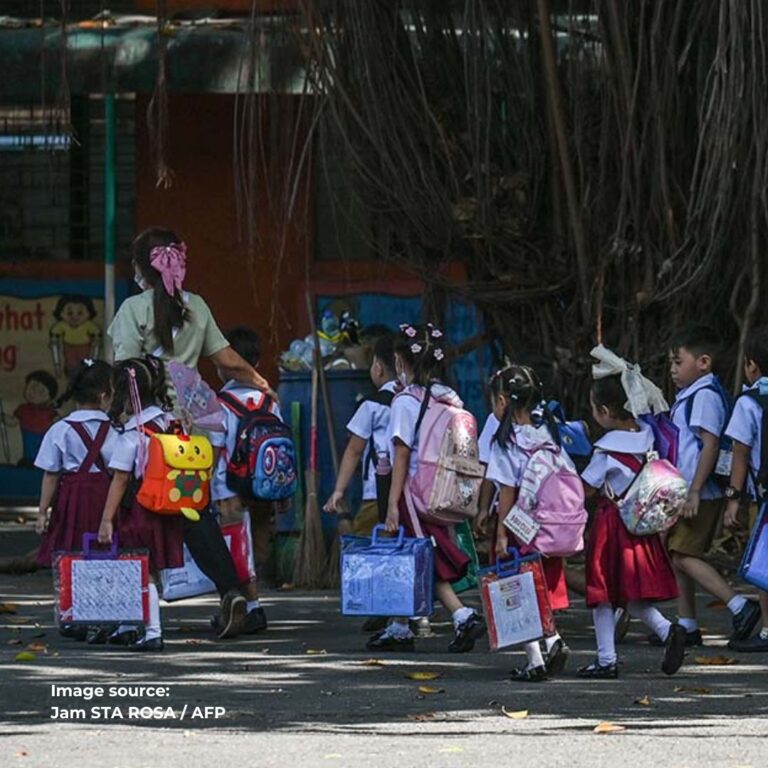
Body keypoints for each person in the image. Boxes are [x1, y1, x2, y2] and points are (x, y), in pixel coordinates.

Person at [369, 322, 486, 652]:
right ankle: (399, 625)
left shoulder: (405, 402)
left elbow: (401, 454)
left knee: (423, 557)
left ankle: (462, 615)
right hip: (443, 488)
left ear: (399, 361)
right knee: (411, 555)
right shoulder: (449, 397)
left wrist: (392, 504)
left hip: (414, 492)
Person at [578, 352, 686, 679]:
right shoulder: (647, 435)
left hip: (612, 527)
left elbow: (586, 490)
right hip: (641, 526)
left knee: (602, 594)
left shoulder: (607, 450)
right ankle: (669, 631)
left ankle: (606, 659)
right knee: (629, 594)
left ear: (605, 412)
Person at [666, 324, 761, 647]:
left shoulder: (705, 396)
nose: (673, 370)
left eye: (679, 362)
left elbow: (709, 444)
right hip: (692, 491)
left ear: (703, 362)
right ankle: (688, 624)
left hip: (701, 493)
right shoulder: (694, 395)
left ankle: (739, 605)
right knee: (679, 553)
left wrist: (694, 490)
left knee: (682, 555)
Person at [107, 227, 270, 394]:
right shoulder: (197, 305)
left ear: (137, 266)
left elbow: (127, 370)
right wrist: (264, 386)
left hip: (151, 415)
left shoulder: (132, 308)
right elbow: (228, 362)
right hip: (190, 414)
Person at [487, 365, 571, 681]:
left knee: (517, 594)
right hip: (548, 525)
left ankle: (536, 659)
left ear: (503, 401)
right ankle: (553, 640)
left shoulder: (505, 440)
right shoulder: (548, 432)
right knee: (539, 591)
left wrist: (500, 535)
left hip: (518, 526)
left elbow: (506, 491)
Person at [97, 357, 186, 652]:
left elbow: (120, 479)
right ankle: (128, 623)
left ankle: (152, 631)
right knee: (147, 569)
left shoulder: (131, 435)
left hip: (139, 508)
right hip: (166, 506)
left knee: (140, 570)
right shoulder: (166, 420)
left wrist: (106, 519)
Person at [211, 326, 282, 634]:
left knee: (236, 546)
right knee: (258, 541)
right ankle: (254, 604)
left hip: (228, 484)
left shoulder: (221, 402)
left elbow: (214, 448)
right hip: (265, 484)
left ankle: (247, 606)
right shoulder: (270, 400)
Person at [34, 360, 116, 575]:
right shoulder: (114, 430)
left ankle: (72, 594)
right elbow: (119, 470)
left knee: (71, 549)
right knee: (107, 548)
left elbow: (51, 474)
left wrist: (43, 512)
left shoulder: (59, 429)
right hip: (106, 497)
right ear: (103, 396)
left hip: (71, 498)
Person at [324, 333, 398, 534]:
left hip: (377, 492)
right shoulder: (415, 402)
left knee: (367, 547)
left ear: (378, 368)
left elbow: (354, 451)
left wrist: (339, 490)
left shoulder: (371, 406)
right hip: (408, 493)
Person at [723, 325, 768, 652]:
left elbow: (740, 456)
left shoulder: (749, 402)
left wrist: (733, 500)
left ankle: (767, 630)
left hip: (763, 499)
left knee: (765, 565)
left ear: (751, 365)